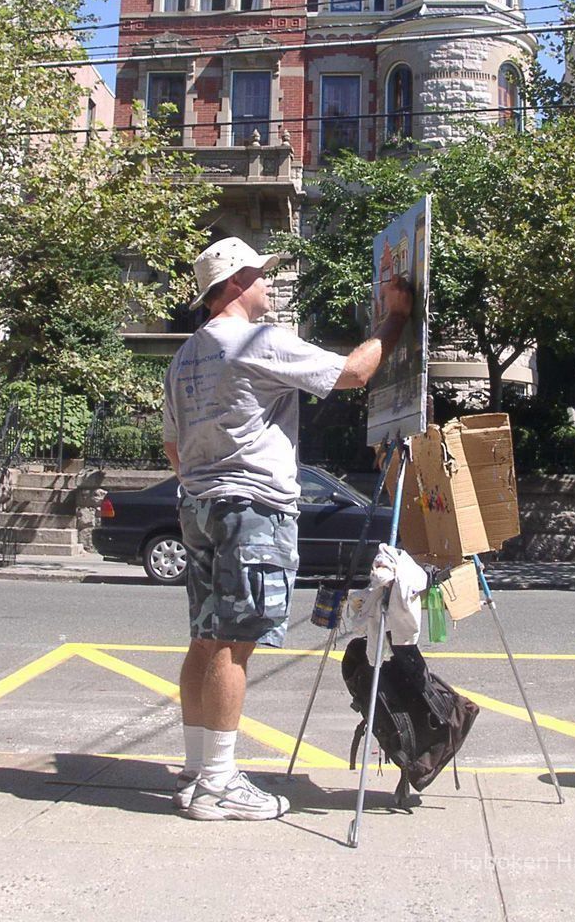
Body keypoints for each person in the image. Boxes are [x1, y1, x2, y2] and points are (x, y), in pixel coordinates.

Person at [162, 235, 413, 821]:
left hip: (200, 506)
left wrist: (209, 481)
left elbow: (174, 447)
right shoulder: (254, 339)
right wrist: (395, 318)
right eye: (261, 275)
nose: (270, 284)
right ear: (233, 285)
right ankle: (220, 786)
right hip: (252, 509)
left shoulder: (185, 355)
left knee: (206, 638)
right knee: (235, 640)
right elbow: (354, 372)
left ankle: (200, 770)